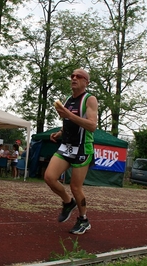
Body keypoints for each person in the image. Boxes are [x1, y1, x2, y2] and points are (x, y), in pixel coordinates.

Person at [44, 68, 98, 235]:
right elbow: (69, 122)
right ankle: (68, 203)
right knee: (49, 178)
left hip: (82, 147)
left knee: (76, 187)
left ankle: (83, 220)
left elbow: (92, 125)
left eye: (78, 76)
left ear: (86, 82)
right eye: (72, 76)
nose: (74, 78)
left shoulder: (90, 99)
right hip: (66, 145)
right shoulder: (68, 99)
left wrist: (68, 114)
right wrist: (60, 132)